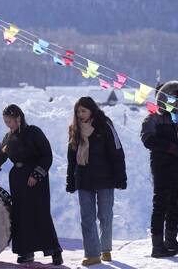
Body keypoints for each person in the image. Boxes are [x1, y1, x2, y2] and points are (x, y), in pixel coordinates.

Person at [0, 104, 63, 265]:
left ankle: (54, 251)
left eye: (10, 121)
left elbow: (46, 155)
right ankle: (26, 252)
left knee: (40, 213)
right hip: (18, 180)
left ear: (19, 118)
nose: (8, 125)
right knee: (21, 214)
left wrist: (36, 174)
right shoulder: (8, 138)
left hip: (36, 180)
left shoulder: (34, 132)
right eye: (5, 122)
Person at [66, 97, 127, 266]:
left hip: (105, 178)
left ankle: (105, 248)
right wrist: (70, 179)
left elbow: (116, 150)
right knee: (87, 217)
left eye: (83, 111)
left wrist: (121, 177)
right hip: (83, 178)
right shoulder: (74, 129)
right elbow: (71, 156)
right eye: (78, 111)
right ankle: (92, 254)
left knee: (105, 215)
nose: (80, 114)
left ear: (92, 110)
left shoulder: (104, 125)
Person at [141, 80, 178, 258]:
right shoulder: (153, 117)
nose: (176, 102)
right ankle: (157, 245)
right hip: (161, 166)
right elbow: (148, 139)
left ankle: (170, 239)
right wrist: (170, 147)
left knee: (175, 203)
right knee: (160, 204)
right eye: (172, 99)